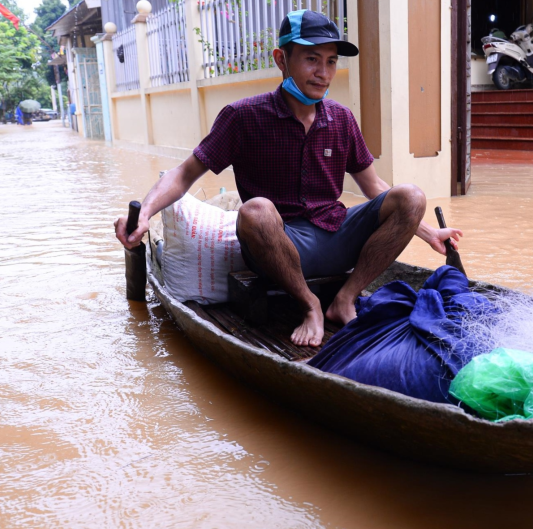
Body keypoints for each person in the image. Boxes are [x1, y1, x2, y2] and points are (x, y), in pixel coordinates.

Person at [115, 10, 462, 347]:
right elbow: (183, 174)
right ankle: (310, 305)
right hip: (278, 245)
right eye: (311, 59)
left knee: (412, 196)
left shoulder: (341, 119)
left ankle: (345, 298)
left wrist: (430, 234)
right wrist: (144, 214)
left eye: (330, 61)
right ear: (282, 59)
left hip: (337, 235)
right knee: (255, 210)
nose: (323, 73)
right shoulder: (243, 117)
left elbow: (374, 188)